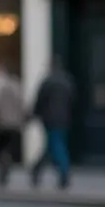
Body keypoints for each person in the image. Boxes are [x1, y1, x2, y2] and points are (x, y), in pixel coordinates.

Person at [31, 55, 76, 190]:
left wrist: (35, 114)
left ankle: (63, 172)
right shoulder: (67, 81)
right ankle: (37, 170)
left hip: (50, 120)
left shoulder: (48, 81)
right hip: (64, 119)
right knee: (54, 145)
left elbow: (39, 100)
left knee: (55, 146)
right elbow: (73, 100)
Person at [0, 63, 25, 187]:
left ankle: (3, 168)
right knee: (8, 149)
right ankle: (6, 164)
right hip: (14, 124)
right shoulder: (17, 85)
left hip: (1, 123)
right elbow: (22, 105)